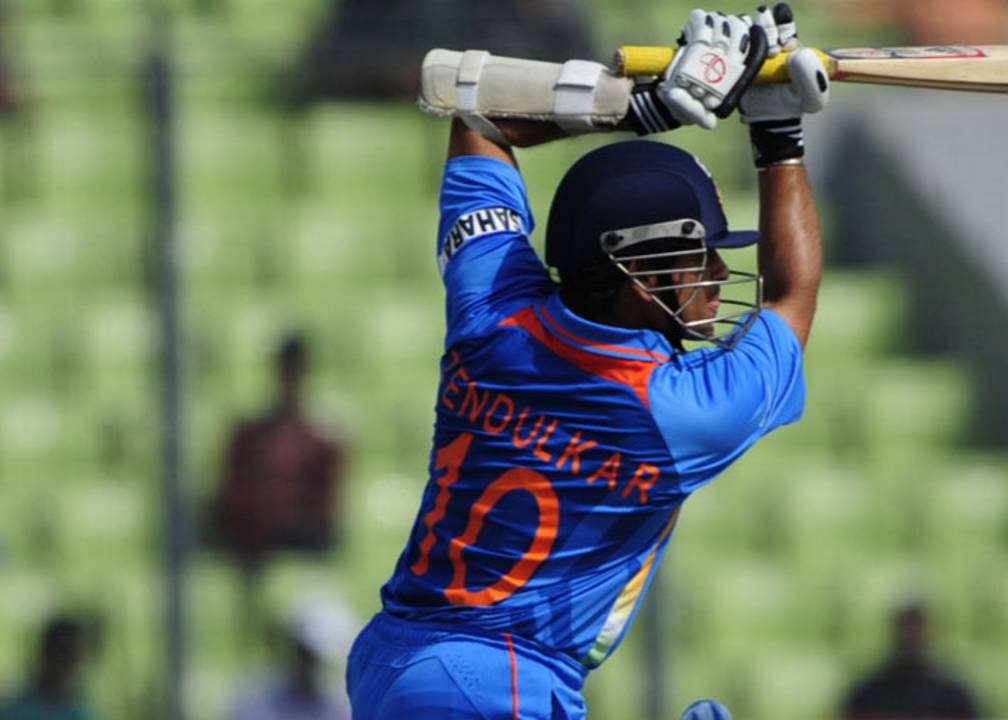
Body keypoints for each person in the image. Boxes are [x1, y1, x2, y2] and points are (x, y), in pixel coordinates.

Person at [346, 5, 828, 718]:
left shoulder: (492, 307)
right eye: (704, 255)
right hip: (497, 678)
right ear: (641, 275)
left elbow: (479, 116)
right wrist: (778, 137)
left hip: (396, 656)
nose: (722, 275)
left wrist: (646, 106)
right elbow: (793, 293)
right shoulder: (683, 413)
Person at [210, 333, 345, 573]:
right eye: (287, 369)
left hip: (304, 562)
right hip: (251, 557)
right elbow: (232, 504)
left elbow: (326, 519)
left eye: (297, 370)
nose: (291, 378)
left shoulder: (324, 441)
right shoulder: (248, 437)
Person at [840, 602, 981, 719]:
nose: (911, 635)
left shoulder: (953, 697)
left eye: (917, 628)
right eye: (906, 627)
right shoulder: (868, 695)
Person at [228, 601, 354, 720]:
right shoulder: (257, 703)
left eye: (316, 659)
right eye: (306, 656)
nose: (312, 665)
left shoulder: (338, 708)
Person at [0, 616, 98, 720]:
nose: (67, 663)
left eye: (73, 655)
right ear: (46, 654)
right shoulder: (15, 711)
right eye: (62, 652)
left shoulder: (81, 714)